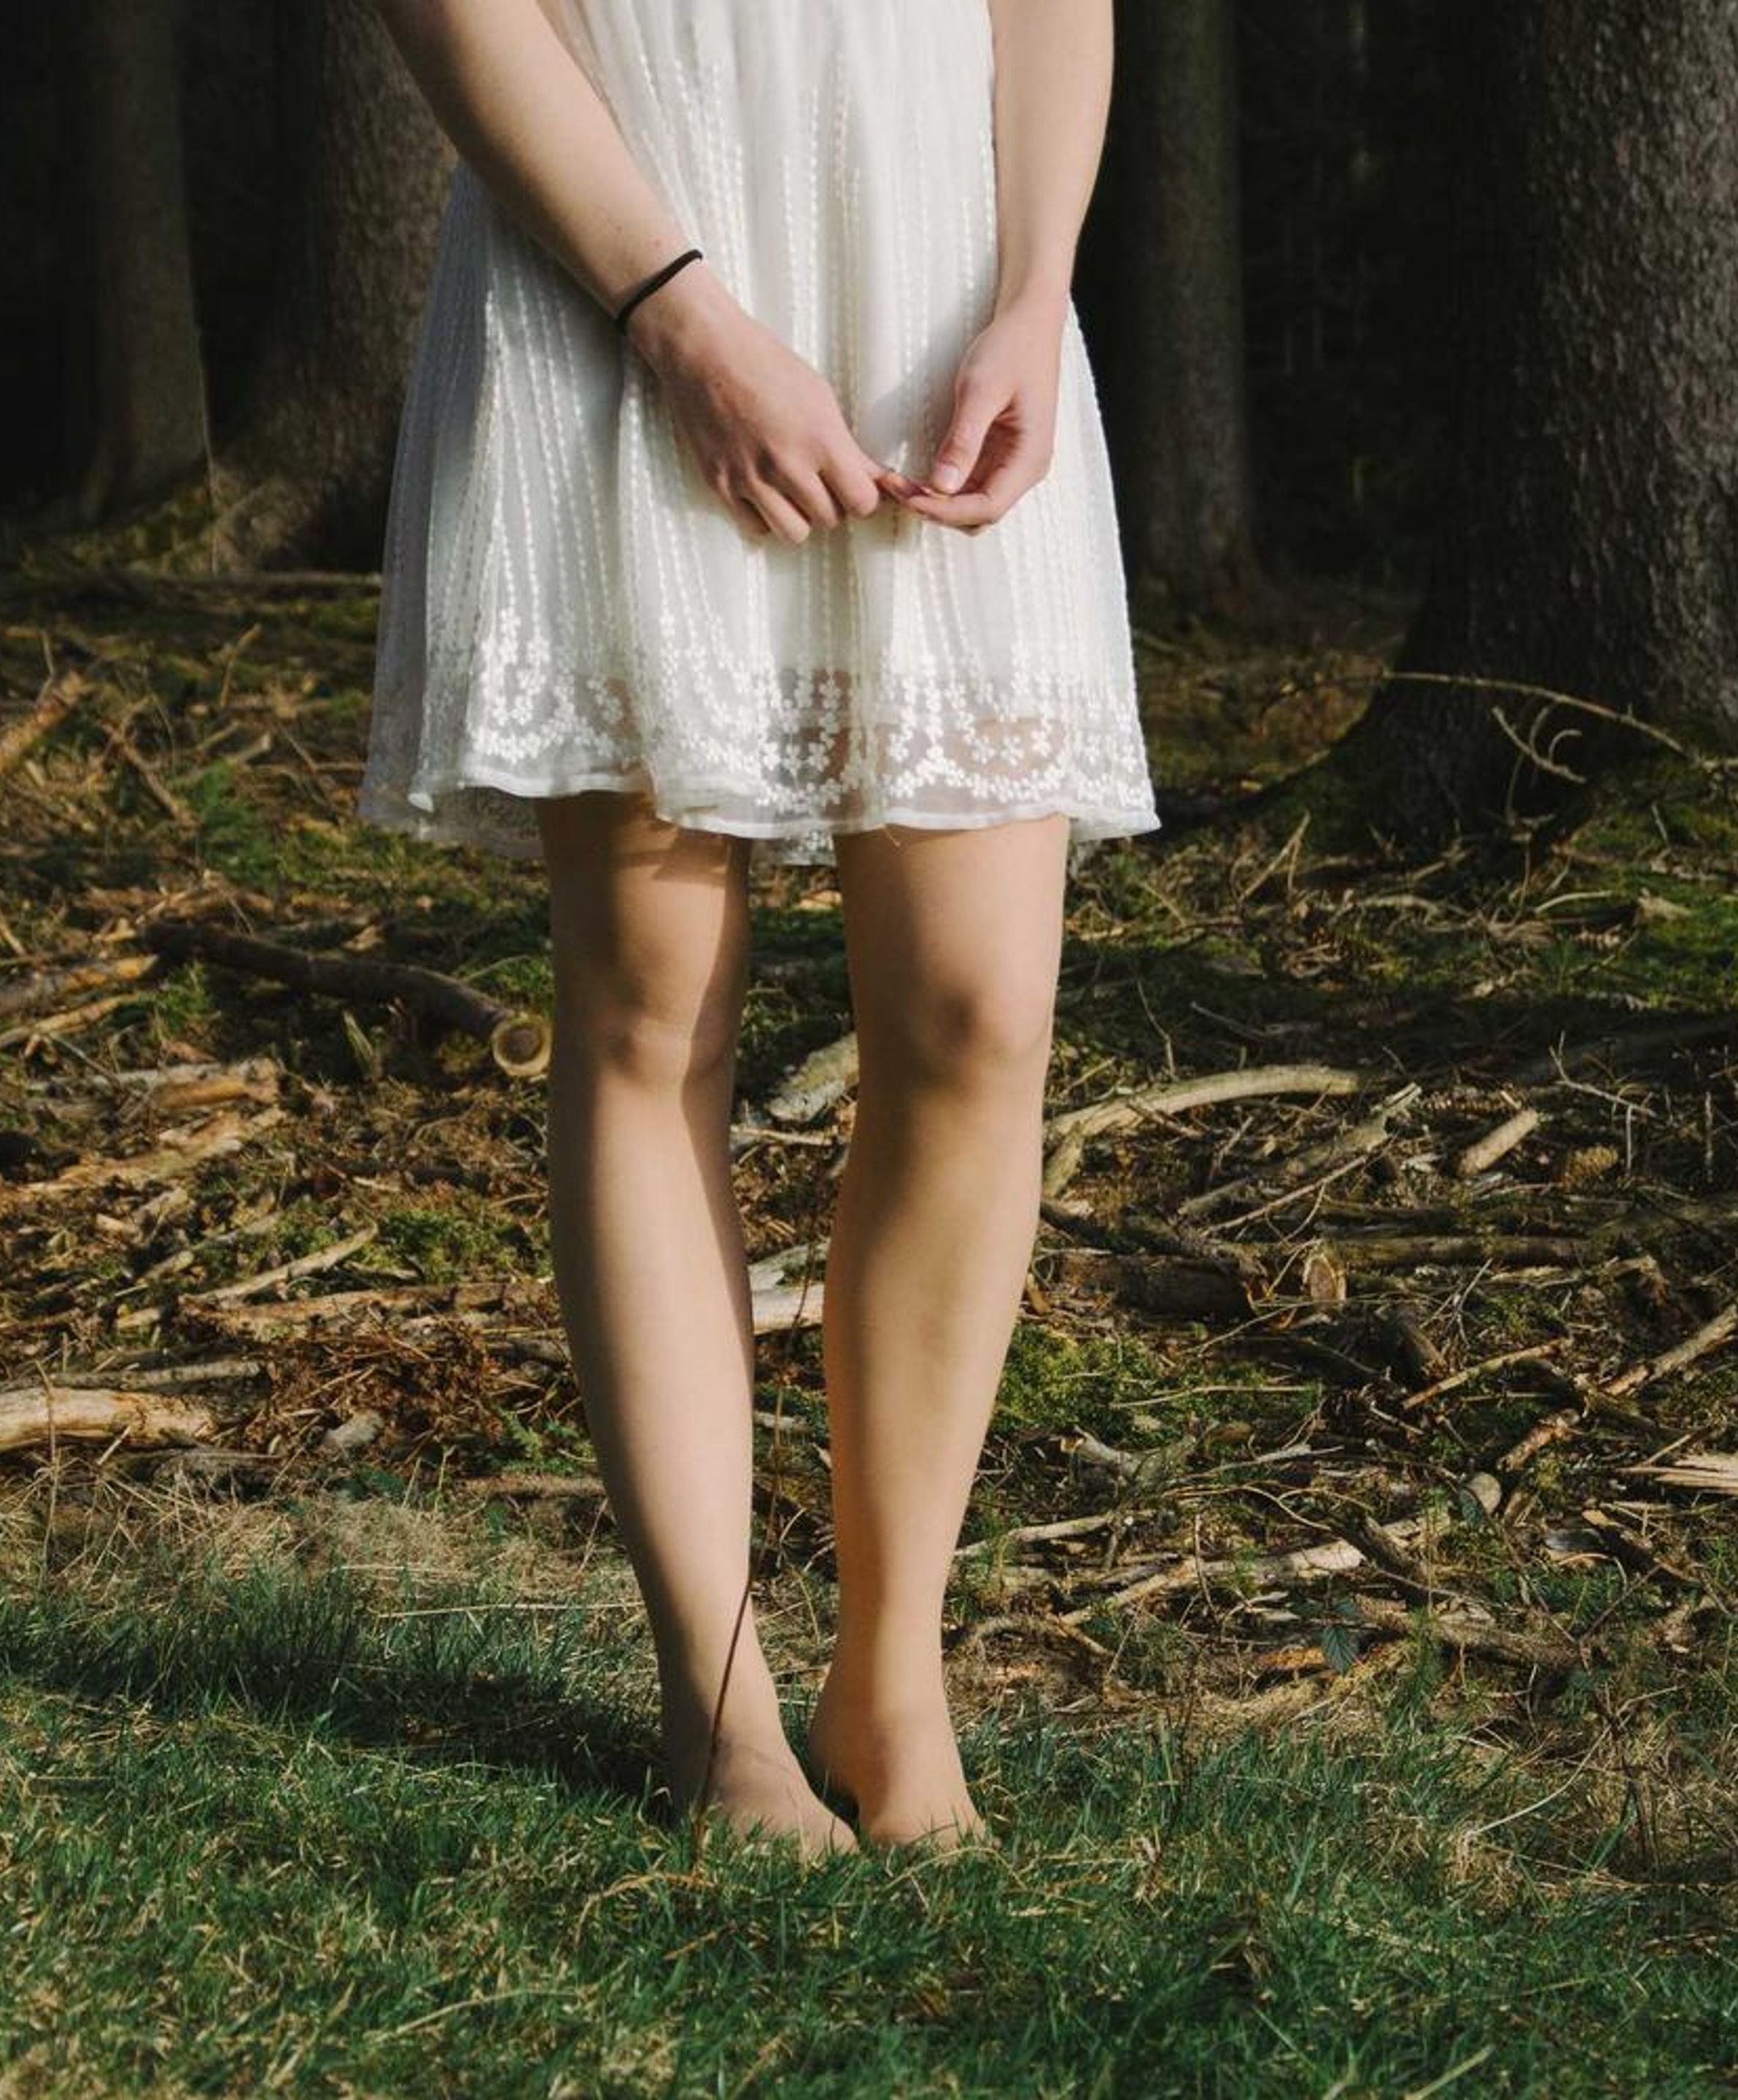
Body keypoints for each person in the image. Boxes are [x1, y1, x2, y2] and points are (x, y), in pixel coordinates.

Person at [360, 0, 1160, 1856]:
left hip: (938, 279)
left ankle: (893, 1683)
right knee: (653, 1011)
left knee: (978, 1018)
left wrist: (1035, 283)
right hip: (630, 268)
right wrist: (681, 321)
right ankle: (714, 1708)